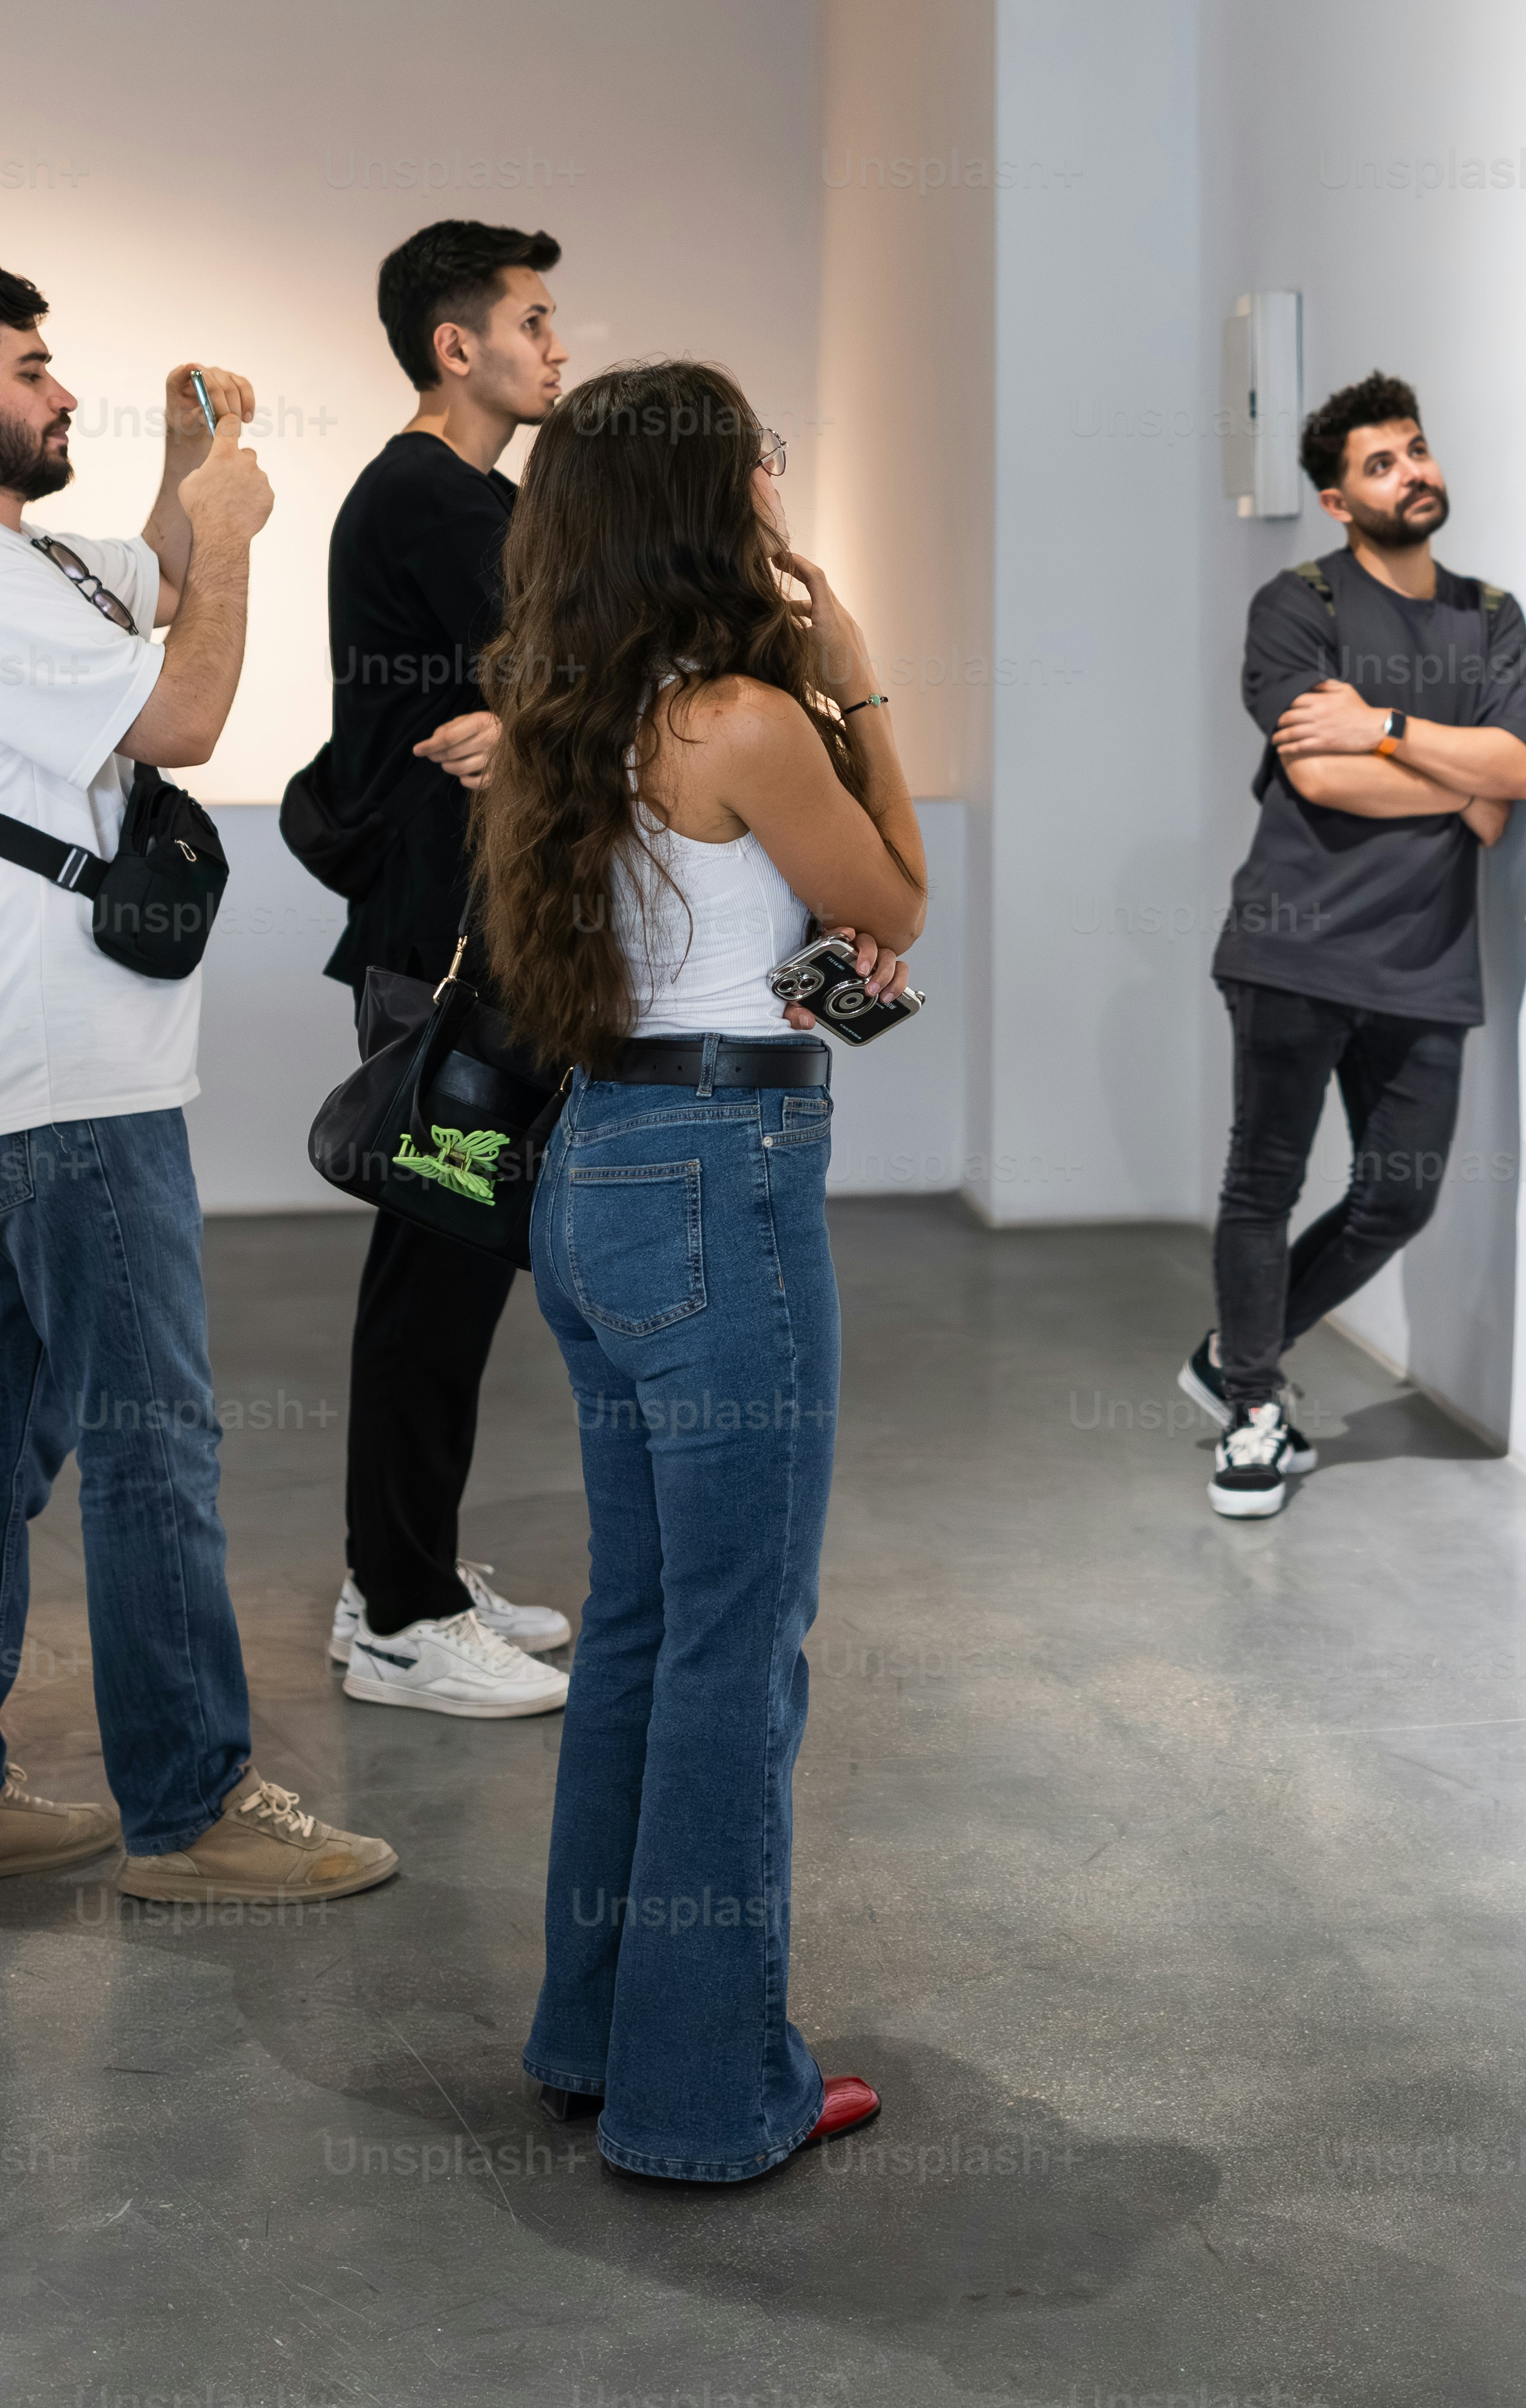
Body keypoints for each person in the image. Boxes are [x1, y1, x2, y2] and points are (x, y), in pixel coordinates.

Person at [0, 255, 396, 1913]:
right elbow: (191, 704)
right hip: (65, 1083)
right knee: (154, 1438)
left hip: (8, 1066)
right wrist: (232, 527)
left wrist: (177, 480)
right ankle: (192, 1804)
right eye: (32, 363)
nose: (58, 386)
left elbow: (139, 583)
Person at [472, 360, 920, 2182]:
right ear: (711, 498)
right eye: (756, 465)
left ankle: (600, 2031)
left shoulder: (561, 702)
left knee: (647, 1630)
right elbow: (889, 898)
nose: (772, 486)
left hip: (595, 1172)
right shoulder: (744, 716)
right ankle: (700, 2092)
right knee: (740, 1641)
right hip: (723, 1182)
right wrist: (857, 655)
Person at [304, 222, 579, 1719]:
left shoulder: (479, 494)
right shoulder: (424, 493)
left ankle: (392, 1569)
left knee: (452, 1259)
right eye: (534, 321)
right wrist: (547, 708)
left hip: (474, 926)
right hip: (443, 939)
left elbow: (565, 674)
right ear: (454, 345)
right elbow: (584, 660)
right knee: (438, 1260)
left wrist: (535, 719)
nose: (557, 345)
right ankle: (400, 1610)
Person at [1192, 375, 1526, 1520]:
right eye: (1381, 464)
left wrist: (1386, 727)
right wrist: (1456, 777)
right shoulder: (1298, 605)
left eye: (1417, 450)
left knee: (1397, 1198)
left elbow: (1521, 774)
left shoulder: (1489, 614)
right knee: (1266, 1183)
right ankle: (1251, 1406)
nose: (1411, 473)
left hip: (1425, 962)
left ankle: (1231, 1350)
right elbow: (1318, 772)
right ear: (1339, 502)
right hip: (1291, 949)